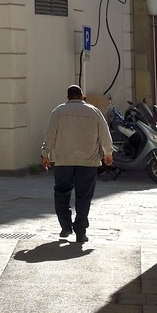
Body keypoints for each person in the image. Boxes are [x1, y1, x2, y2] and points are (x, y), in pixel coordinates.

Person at [40, 84, 113, 243]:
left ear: (67, 98)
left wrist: (45, 154)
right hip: (88, 161)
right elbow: (104, 134)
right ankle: (81, 231)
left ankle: (66, 226)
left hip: (63, 160)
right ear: (82, 97)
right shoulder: (94, 112)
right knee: (84, 196)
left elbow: (50, 134)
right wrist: (108, 153)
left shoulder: (58, 111)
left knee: (61, 193)